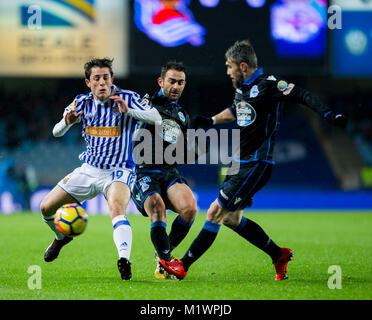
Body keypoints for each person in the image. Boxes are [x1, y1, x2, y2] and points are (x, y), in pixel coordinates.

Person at [160, 40, 347, 280]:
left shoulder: (269, 85)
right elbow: (236, 111)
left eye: (230, 67)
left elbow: (301, 94)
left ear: (243, 66)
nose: (227, 72)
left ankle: (183, 266)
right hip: (241, 162)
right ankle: (278, 254)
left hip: (257, 162)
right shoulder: (242, 88)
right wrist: (211, 121)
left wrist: (328, 114)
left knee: (215, 212)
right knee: (230, 218)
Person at [40, 57, 162, 281]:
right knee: (46, 207)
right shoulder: (82, 102)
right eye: (97, 78)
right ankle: (61, 238)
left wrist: (130, 112)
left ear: (112, 79)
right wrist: (67, 121)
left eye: (106, 77)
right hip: (89, 169)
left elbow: (156, 117)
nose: (102, 82)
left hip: (119, 170)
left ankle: (124, 260)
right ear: (89, 82)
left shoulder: (127, 97)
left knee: (116, 209)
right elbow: (57, 132)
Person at [131, 61, 198, 279]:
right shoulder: (147, 102)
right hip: (145, 172)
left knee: (189, 208)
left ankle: (163, 255)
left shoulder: (182, 115)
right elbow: (134, 119)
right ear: (161, 82)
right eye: (171, 81)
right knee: (157, 206)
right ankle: (167, 262)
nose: (176, 86)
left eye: (180, 82)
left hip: (169, 172)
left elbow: (178, 149)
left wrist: (191, 152)